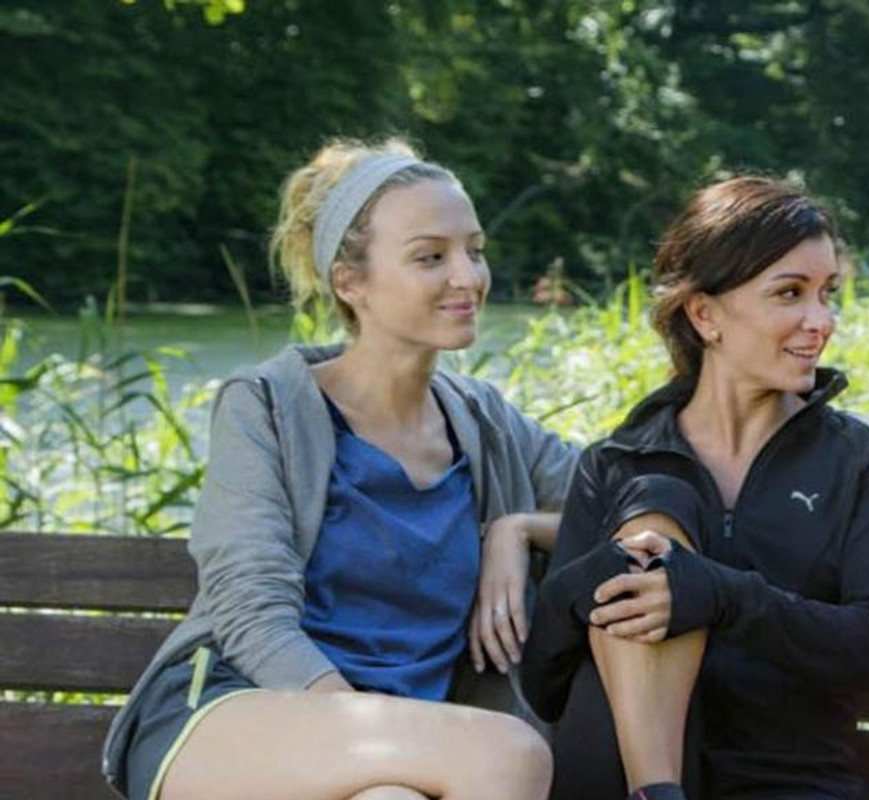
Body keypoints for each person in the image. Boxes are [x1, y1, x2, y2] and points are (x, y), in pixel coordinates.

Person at [100, 138, 578, 800]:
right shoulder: (267, 405)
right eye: (431, 257)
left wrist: (517, 529)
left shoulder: (486, 421)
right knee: (512, 753)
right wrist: (369, 731)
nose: (468, 277)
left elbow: (624, 498)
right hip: (237, 714)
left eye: (475, 250)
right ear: (349, 282)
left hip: (397, 741)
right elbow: (249, 609)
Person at [518, 176, 869, 800]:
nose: (821, 321)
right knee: (656, 500)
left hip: (788, 782)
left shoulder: (867, 455)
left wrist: (721, 596)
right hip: (616, 777)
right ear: (705, 315)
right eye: (789, 293)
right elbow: (544, 684)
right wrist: (590, 585)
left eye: (827, 294)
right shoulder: (619, 461)